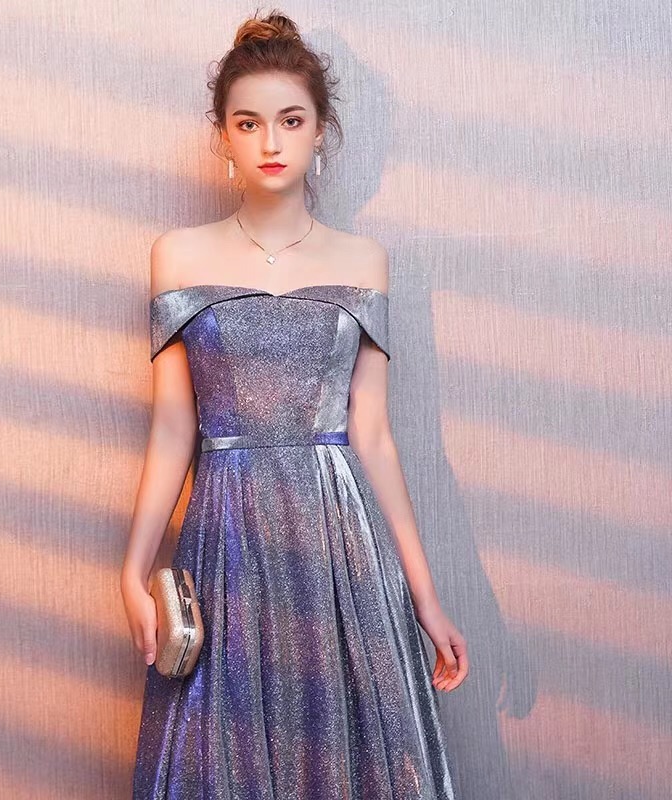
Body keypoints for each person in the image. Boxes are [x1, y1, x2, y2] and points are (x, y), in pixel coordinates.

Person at [121, 9, 468, 799]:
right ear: (224, 136)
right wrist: (133, 569)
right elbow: (173, 427)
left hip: (339, 543)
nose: (270, 142)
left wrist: (426, 598)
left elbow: (373, 436)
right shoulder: (178, 254)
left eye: (290, 120)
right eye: (248, 123)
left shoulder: (363, 261)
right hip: (227, 535)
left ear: (320, 132)